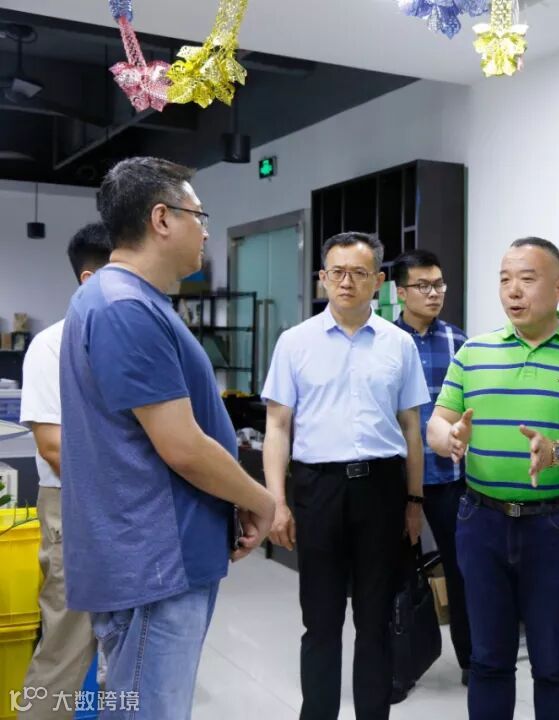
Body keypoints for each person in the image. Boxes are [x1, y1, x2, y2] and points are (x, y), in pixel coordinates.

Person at [59, 157, 275, 720]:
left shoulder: (125, 300)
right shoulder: (126, 308)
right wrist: (260, 498)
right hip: (155, 561)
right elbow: (181, 446)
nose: (204, 231)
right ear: (161, 218)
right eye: (199, 216)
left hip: (155, 556)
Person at [427, 237, 559, 720]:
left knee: (554, 662)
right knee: (488, 659)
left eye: (527, 279)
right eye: (505, 280)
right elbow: (437, 421)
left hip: (556, 525)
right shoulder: (474, 352)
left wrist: (558, 452)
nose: (513, 291)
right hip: (481, 521)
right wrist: (449, 438)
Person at [262, 231, 429, 720]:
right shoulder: (295, 342)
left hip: (382, 489)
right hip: (318, 488)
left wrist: (414, 500)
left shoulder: (399, 344)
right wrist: (277, 502)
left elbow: (411, 429)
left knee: (376, 620)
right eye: (337, 272)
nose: (346, 282)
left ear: (379, 281)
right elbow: (277, 427)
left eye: (359, 273)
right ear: (322, 277)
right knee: (320, 619)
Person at [19, 223, 111, 720]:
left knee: (124, 651)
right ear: (90, 278)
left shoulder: (134, 339)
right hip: (75, 505)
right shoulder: (54, 344)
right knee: (66, 646)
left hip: (129, 509)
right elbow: (53, 447)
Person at [391, 249, 471, 689]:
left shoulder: (459, 342)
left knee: (463, 570)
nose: (434, 293)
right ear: (401, 292)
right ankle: (401, 667)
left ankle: (471, 661)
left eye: (439, 284)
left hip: (449, 479)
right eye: (423, 285)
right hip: (395, 479)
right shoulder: (383, 341)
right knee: (396, 573)